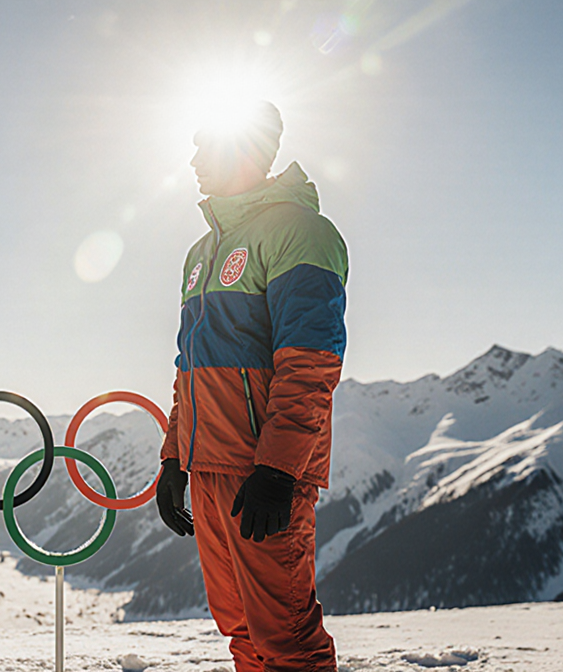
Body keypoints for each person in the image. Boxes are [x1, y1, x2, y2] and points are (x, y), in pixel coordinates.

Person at [154, 101, 347, 672]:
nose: (191, 160)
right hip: (208, 466)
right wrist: (174, 458)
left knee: (286, 637)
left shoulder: (301, 232)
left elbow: (309, 364)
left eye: (204, 146)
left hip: (260, 470)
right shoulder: (202, 251)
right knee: (241, 631)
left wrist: (278, 469)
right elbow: (188, 368)